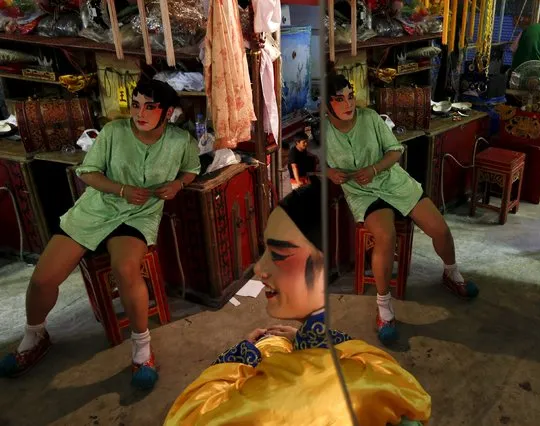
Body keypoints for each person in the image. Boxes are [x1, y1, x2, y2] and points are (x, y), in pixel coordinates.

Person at [164, 178, 431, 425]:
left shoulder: (253, 405)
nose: (260, 269)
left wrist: (242, 353)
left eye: (279, 255)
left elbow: (185, 415)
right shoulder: (378, 376)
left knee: (273, 344)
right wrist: (307, 337)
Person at [0, 79, 201, 390]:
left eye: (150, 107)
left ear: (168, 112)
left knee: (126, 268)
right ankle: (34, 335)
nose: (140, 113)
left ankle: (141, 348)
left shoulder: (180, 140)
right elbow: (89, 172)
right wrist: (120, 188)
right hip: (97, 208)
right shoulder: (114, 132)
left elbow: (191, 168)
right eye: (136, 105)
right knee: (42, 278)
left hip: (140, 213)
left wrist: (179, 184)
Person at [324, 73, 479, 345]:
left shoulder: (370, 118)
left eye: (350, 96)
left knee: (439, 229)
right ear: (326, 105)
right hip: (362, 193)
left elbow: (396, 151)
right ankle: (384, 309)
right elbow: (310, 160)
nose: (348, 104)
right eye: (339, 99)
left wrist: (374, 169)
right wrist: (329, 172)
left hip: (392, 181)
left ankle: (451, 274)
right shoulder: (323, 131)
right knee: (385, 237)